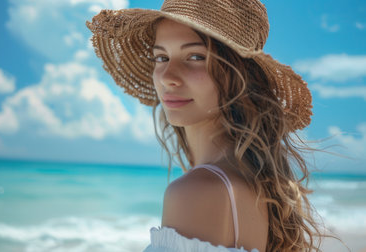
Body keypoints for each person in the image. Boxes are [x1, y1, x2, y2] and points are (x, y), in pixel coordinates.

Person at [87, 0, 327, 251]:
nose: (168, 76)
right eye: (161, 57)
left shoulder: (197, 191)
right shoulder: (256, 186)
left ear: (239, 76)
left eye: (195, 56)